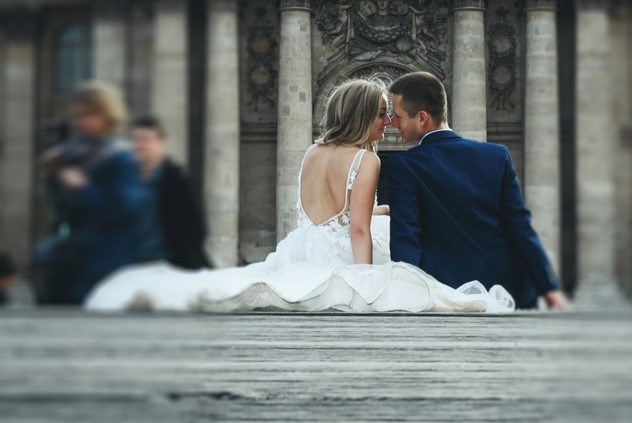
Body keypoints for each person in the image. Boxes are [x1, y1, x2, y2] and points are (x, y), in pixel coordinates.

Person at [85, 79, 514, 312]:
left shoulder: (312, 151)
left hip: (303, 252)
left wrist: (382, 210)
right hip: (344, 260)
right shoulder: (367, 161)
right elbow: (357, 229)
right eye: (382, 114)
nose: (387, 122)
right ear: (364, 116)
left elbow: (332, 214)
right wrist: (363, 286)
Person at [386, 71, 569, 311]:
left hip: (448, 294)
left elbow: (406, 237)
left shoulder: (404, 166)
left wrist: (405, 297)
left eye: (397, 115)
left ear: (422, 118)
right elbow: (520, 226)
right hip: (508, 290)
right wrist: (548, 288)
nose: (392, 122)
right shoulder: (497, 156)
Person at [38, 82, 145, 305]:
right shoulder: (76, 153)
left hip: (107, 260)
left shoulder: (120, 157)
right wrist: (55, 173)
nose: (81, 122)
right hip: (77, 256)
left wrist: (82, 187)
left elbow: (124, 210)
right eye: (78, 116)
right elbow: (63, 207)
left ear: (107, 115)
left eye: (88, 115)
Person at [130, 116, 210, 269]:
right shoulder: (124, 181)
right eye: (136, 139)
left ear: (161, 143)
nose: (140, 144)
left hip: (169, 267)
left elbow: (195, 230)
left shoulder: (177, 181)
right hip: (132, 267)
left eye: (146, 139)